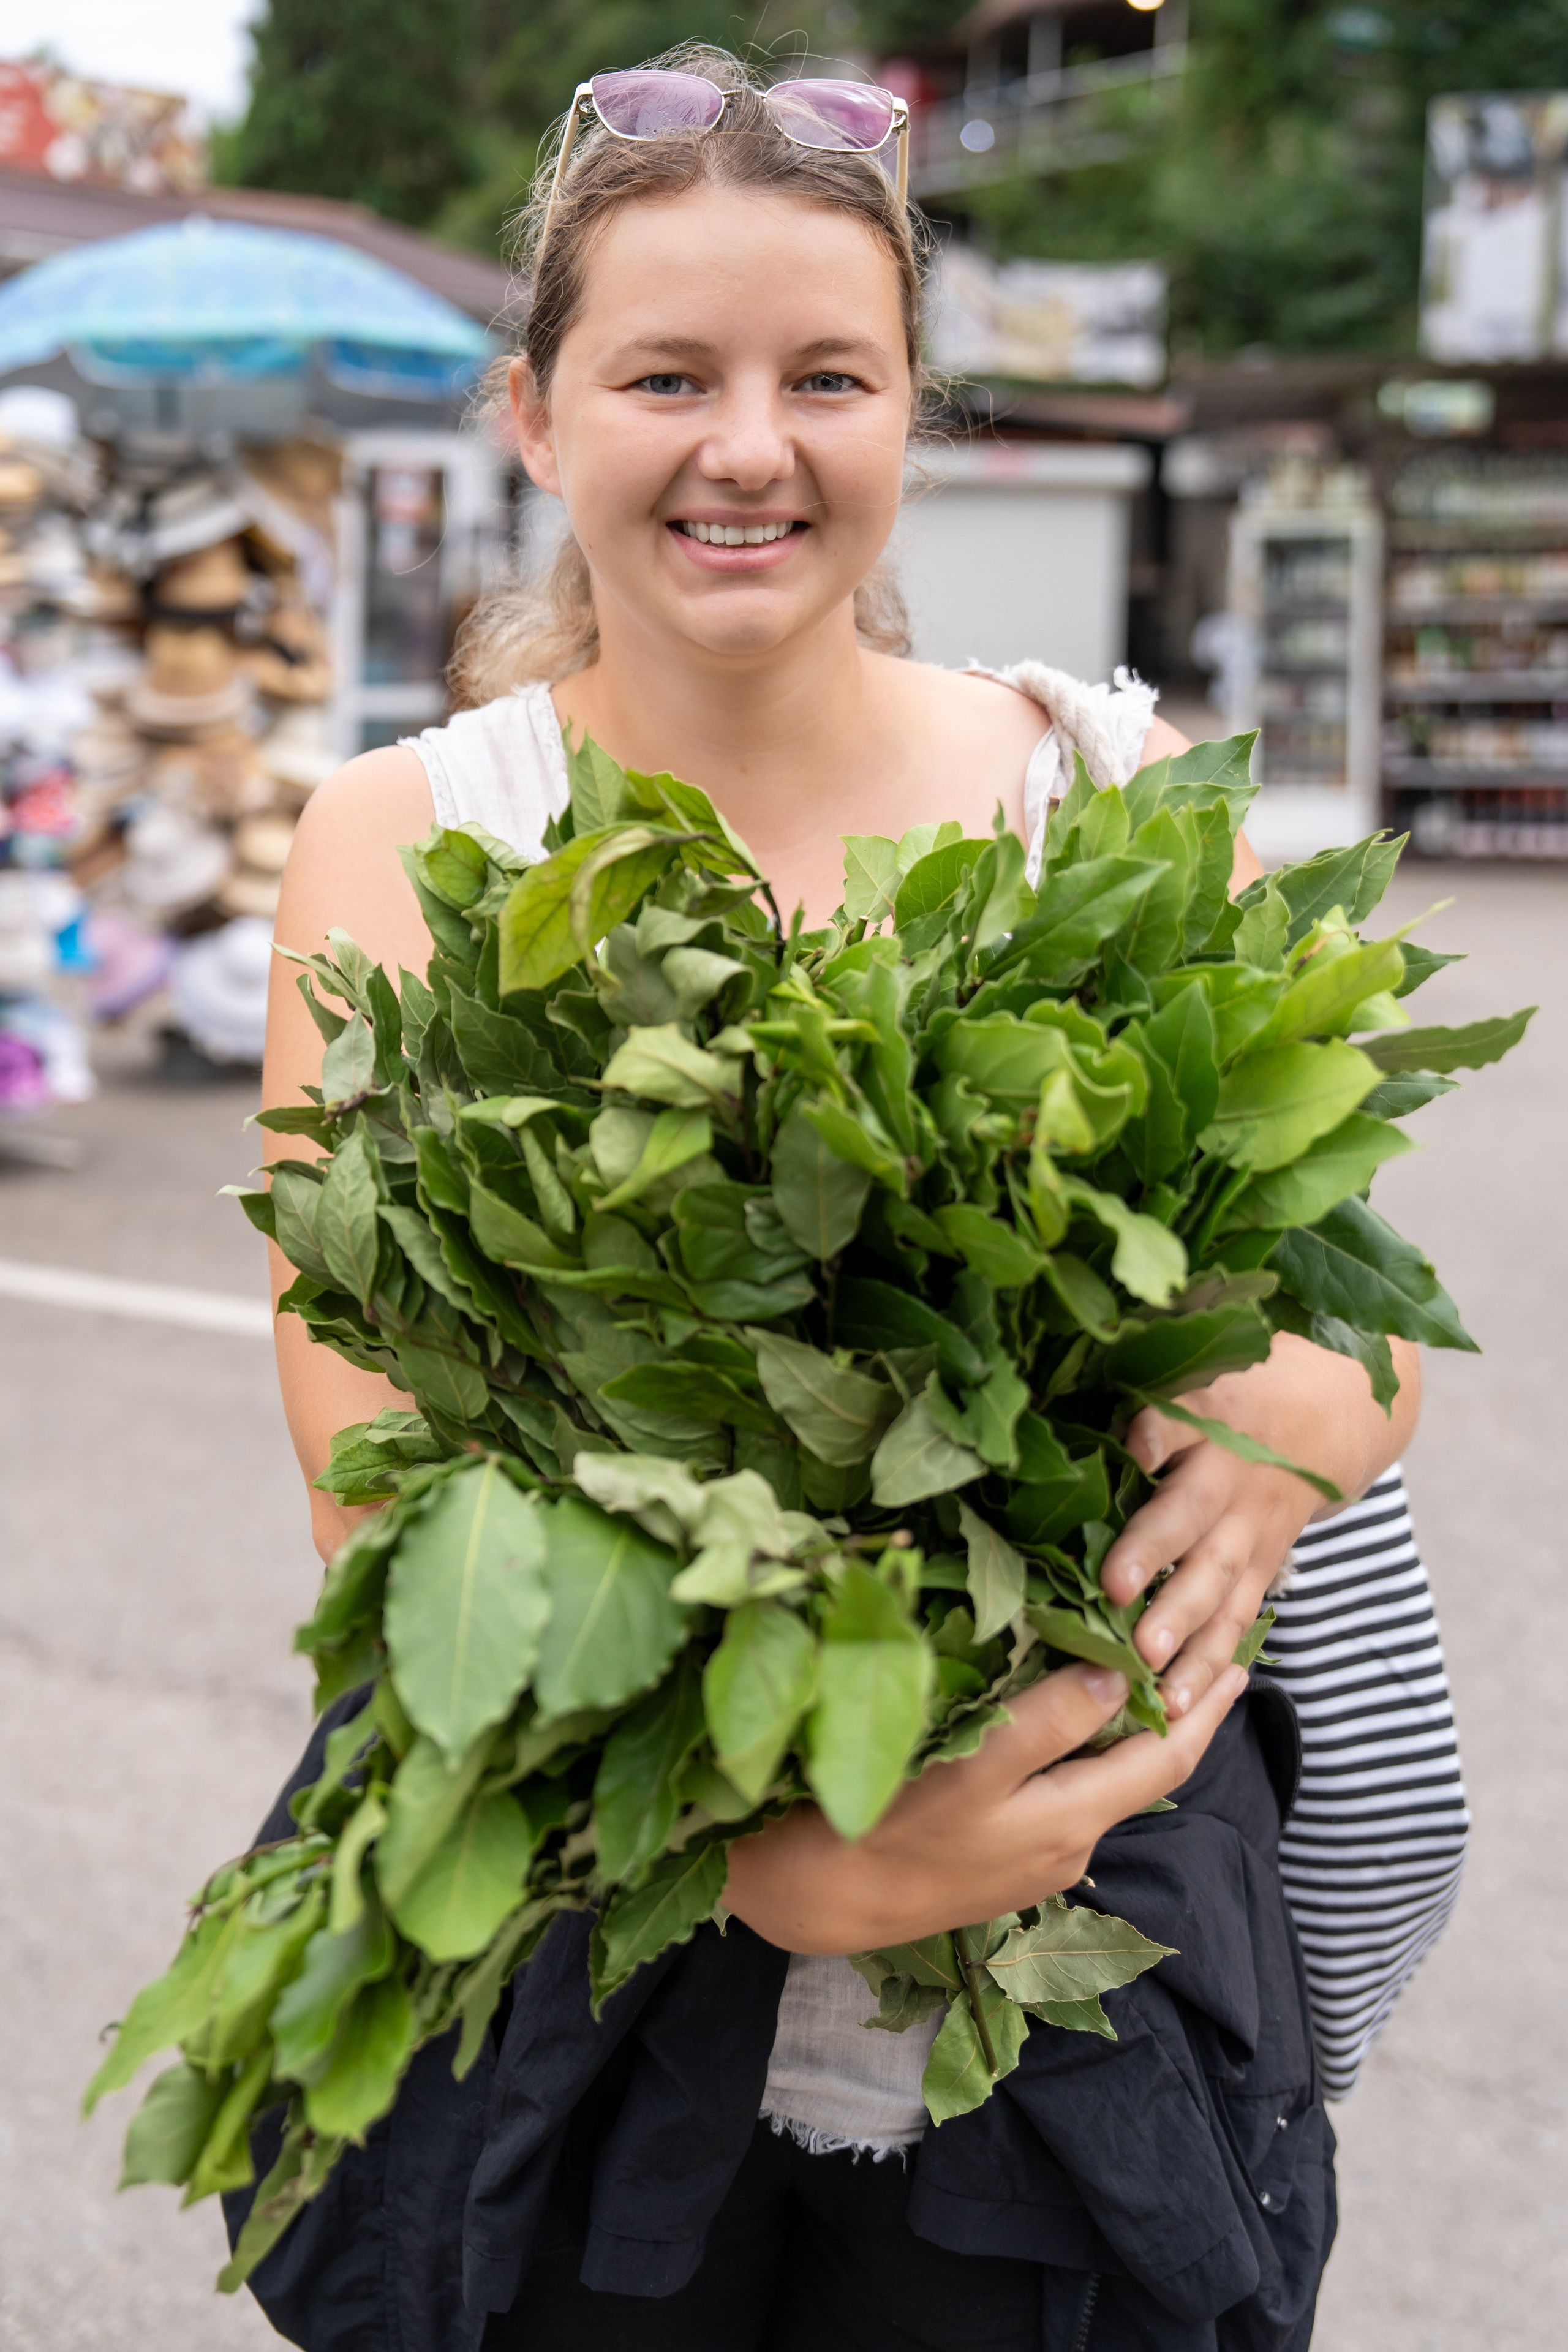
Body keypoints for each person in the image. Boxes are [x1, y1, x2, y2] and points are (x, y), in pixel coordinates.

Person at [251, 48, 1464, 2352]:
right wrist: (774, 1862)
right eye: (665, 374)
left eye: (829, 374)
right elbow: (384, 1514)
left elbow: (1343, 1285)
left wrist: (1330, 1399)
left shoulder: (1091, 790)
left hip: (1062, 1994)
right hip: (591, 1966)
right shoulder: (411, 837)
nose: (749, 445)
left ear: (914, 415)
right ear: (536, 418)